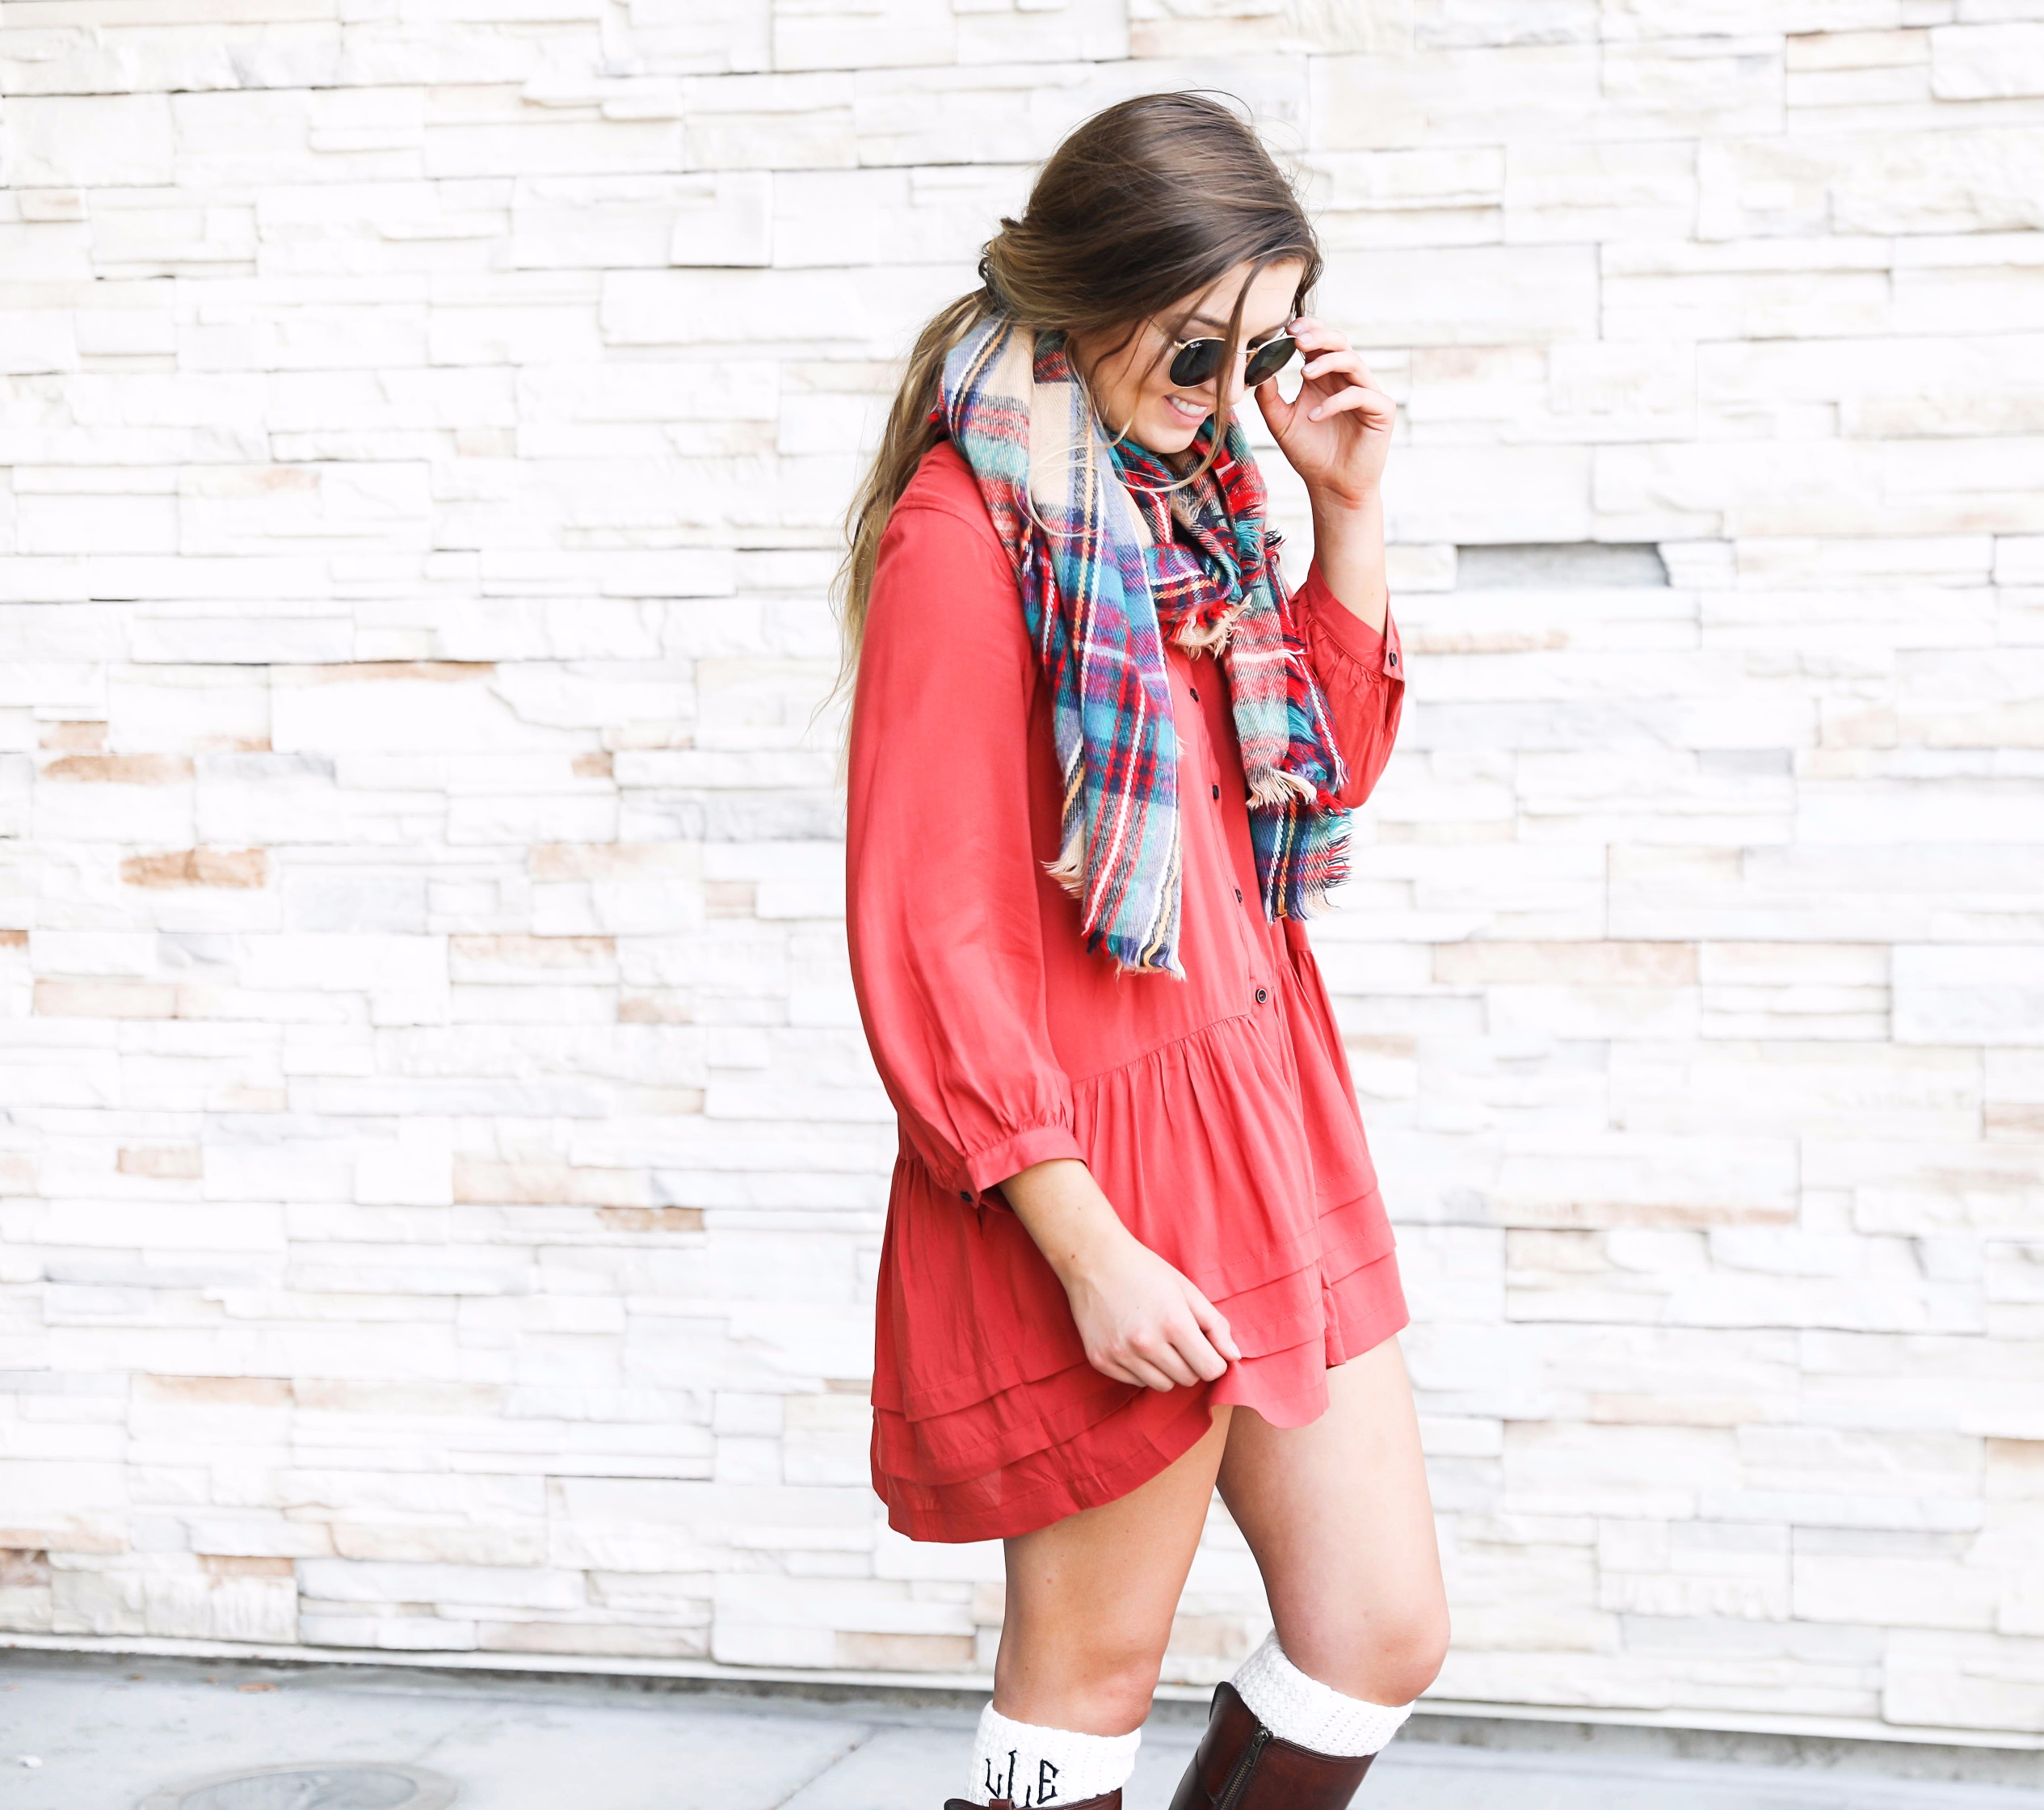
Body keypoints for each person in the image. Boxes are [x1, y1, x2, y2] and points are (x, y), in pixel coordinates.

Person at [835, 90, 1448, 1810]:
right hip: (1097, 1175)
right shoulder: (966, 537)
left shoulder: (1196, 521)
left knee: (1376, 1625)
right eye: (1196, 354)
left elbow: (1304, 792)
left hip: (1270, 1125)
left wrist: (1347, 516)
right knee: (1083, 1686)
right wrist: (1087, 1247)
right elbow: (927, 930)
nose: (1228, 401)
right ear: (1087, 298)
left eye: (1261, 356)